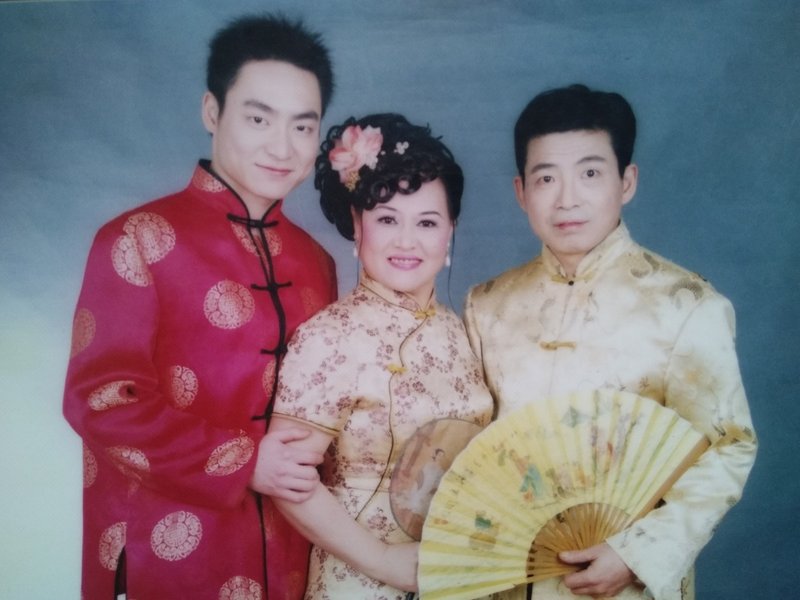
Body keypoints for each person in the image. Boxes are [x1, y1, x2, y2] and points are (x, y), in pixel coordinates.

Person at [63, 15, 337, 600]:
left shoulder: (317, 263)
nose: (282, 147)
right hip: (164, 552)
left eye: (302, 126)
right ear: (212, 112)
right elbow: (102, 399)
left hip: (290, 554)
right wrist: (244, 461)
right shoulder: (135, 238)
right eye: (258, 119)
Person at [464, 84, 756, 599]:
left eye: (591, 173)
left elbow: (728, 448)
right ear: (521, 192)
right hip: (508, 579)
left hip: (624, 583)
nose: (567, 198)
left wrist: (638, 553)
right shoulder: (488, 305)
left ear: (627, 182)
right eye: (546, 178)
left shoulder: (686, 306)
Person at [268, 113, 495, 599]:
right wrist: (383, 560)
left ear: (450, 231)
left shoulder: (461, 331)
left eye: (427, 222)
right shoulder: (329, 336)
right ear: (357, 225)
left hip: (460, 578)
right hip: (361, 577)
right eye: (387, 219)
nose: (407, 241)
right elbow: (286, 479)